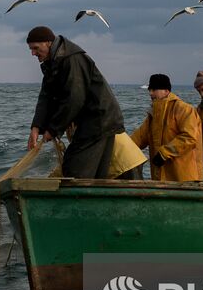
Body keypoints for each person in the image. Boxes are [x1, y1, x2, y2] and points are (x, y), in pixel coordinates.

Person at [25, 26, 135, 180]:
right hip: (93, 121)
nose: (33, 53)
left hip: (100, 119)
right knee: (94, 176)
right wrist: (36, 127)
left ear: (48, 43)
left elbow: (74, 99)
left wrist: (53, 129)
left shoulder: (71, 59)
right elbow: (46, 96)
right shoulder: (53, 62)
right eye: (30, 49)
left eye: (36, 48)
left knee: (74, 169)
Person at [130, 74, 203, 182]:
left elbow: (190, 137)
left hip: (184, 179)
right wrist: (122, 146)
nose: (150, 93)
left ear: (166, 90)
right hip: (161, 179)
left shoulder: (184, 109)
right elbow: (139, 138)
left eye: (154, 89)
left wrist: (164, 153)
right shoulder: (153, 115)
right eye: (149, 89)